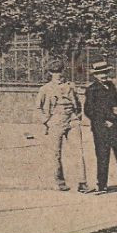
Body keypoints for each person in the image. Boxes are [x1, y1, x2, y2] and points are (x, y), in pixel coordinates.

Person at [83, 60, 117, 193]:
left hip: (113, 125)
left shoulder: (111, 86)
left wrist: (116, 117)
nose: (104, 76)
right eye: (101, 73)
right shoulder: (92, 90)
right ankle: (102, 184)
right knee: (103, 155)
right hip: (100, 128)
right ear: (95, 75)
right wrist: (104, 120)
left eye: (106, 73)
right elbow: (89, 110)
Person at [36, 59, 89, 193]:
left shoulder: (71, 86)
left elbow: (78, 103)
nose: (57, 75)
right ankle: (59, 182)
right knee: (56, 154)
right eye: (54, 72)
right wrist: (46, 121)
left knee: (78, 151)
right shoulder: (45, 89)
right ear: (50, 73)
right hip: (55, 121)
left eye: (59, 71)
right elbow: (38, 108)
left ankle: (82, 183)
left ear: (63, 71)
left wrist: (77, 117)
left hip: (72, 120)